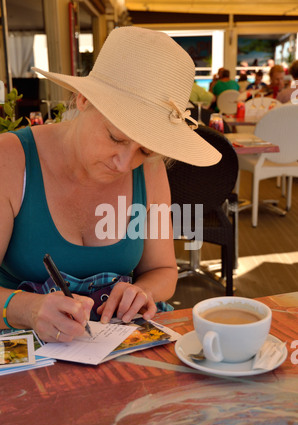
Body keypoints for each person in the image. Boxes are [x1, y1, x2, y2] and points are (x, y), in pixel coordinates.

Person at [0, 27, 221, 343]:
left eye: (144, 149)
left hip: (115, 349)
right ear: (84, 98)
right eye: (116, 137)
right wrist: (28, 309)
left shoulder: (150, 170)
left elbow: (164, 270)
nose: (124, 163)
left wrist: (142, 291)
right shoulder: (10, 159)